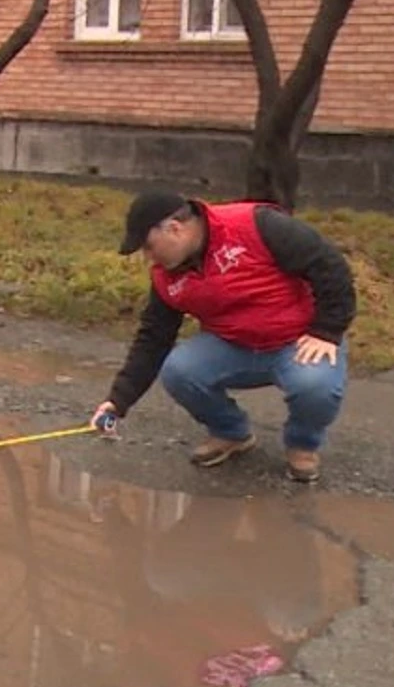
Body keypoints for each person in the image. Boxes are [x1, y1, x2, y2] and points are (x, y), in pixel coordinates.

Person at [91, 189, 355, 484]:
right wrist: (118, 401)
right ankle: (231, 433)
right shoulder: (166, 276)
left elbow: (328, 265)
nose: (148, 257)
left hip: (297, 342)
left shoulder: (257, 225)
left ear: (174, 229)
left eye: (149, 247)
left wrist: (327, 331)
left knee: (314, 385)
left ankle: (302, 445)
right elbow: (153, 338)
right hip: (233, 346)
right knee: (179, 371)